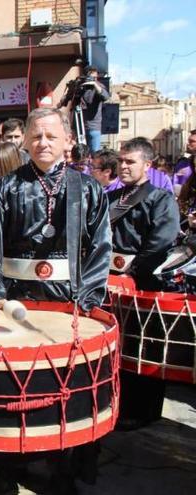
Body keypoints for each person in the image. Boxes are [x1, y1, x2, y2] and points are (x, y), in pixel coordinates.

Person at [0, 107, 110, 494]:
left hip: (68, 301)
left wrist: (88, 298)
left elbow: (100, 246)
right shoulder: (7, 187)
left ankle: (64, 467)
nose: (43, 142)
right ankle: (8, 467)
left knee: (65, 387)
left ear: (69, 141)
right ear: (25, 141)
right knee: (12, 389)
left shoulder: (87, 189)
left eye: (52, 136)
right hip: (19, 301)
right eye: (36, 136)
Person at [109, 139, 180, 434]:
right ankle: (120, 405)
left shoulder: (160, 198)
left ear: (147, 165)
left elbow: (161, 241)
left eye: (131, 162)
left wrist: (134, 272)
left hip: (143, 281)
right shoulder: (114, 197)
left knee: (144, 348)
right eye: (122, 161)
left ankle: (143, 412)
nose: (123, 166)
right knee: (120, 347)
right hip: (112, 281)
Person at [59, 66, 109, 152]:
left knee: (94, 153)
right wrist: (71, 88)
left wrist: (94, 84)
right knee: (78, 153)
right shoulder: (78, 86)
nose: (93, 79)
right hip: (77, 126)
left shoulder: (98, 86)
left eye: (95, 77)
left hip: (93, 127)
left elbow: (105, 97)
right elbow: (63, 102)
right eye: (91, 77)